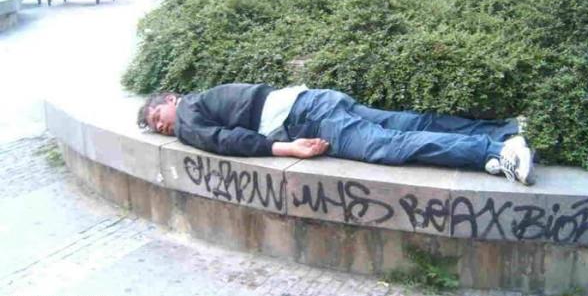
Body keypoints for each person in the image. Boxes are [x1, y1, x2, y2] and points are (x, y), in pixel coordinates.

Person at [137, 84, 534, 185]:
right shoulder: (204, 101)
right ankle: (507, 131)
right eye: (156, 128)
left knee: (389, 146)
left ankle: (497, 151)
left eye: (158, 116)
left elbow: (223, 142)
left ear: (171, 99)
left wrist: (284, 148)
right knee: (406, 124)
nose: (163, 126)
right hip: (314, 100)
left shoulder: (187, 116)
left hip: (308, 118)